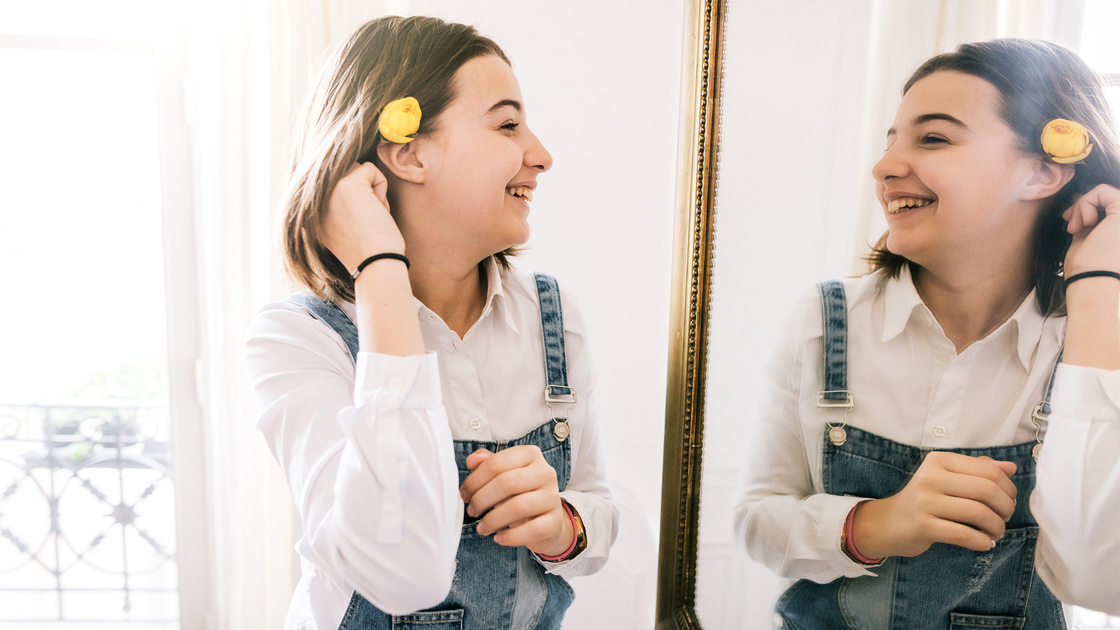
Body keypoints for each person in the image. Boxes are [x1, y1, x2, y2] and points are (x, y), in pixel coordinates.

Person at [244, 16, 617, 630]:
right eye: (507, 124)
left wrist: (562, 526)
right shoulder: (298, 341)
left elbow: (602, 514)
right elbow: (401, 574)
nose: (541, 155)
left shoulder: (555, 316)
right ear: (408, 153)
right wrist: (380, 268)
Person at [733, 38, 1120, 628]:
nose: (885, 166)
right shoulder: (824, 320)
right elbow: (758, 521)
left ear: (1043, 171)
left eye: (933, 137)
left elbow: (1098, 573)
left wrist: (1099, 288)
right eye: (891, 138)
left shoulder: (1092, 342)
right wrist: (881, 523)